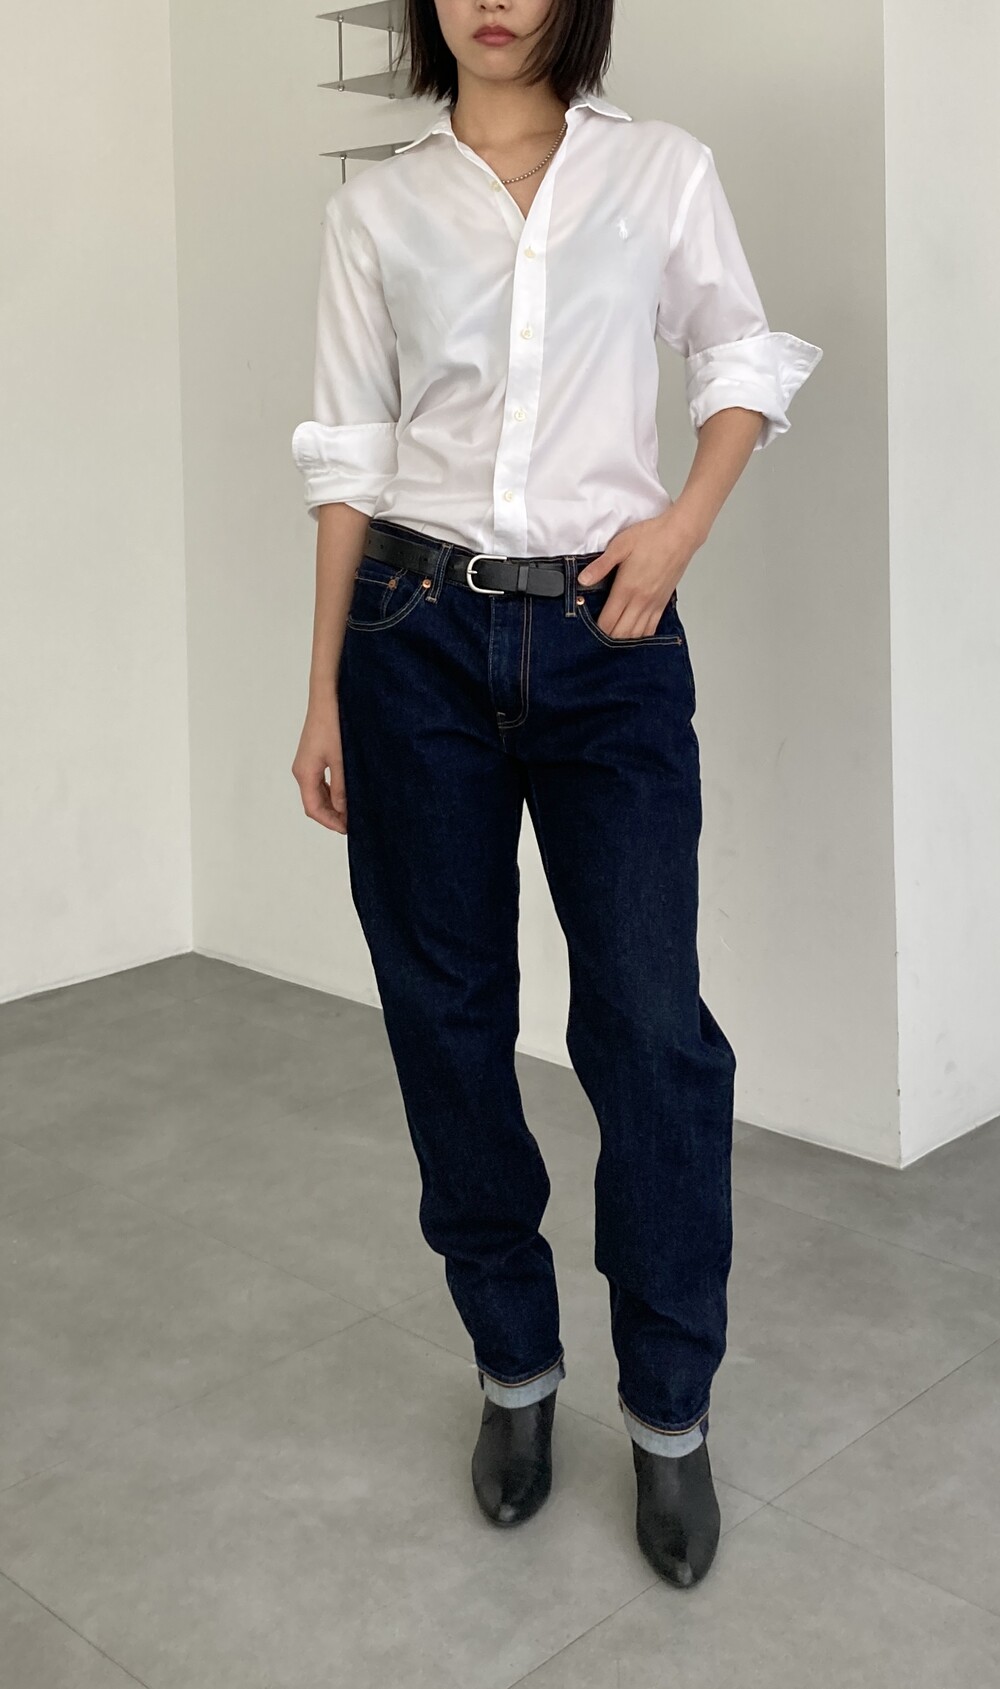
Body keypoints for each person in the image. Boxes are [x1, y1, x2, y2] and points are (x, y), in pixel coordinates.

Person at [290, 0, 822, 1590]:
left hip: (612, 634)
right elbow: (350, 456)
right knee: (445, 1014)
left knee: (651, 1030)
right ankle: (515, 1367)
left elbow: (740, 355)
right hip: (412, 637)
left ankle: (669, 1409)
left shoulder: (658, 172)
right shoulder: (379, 208)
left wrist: (679, 527)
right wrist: (320, 690)